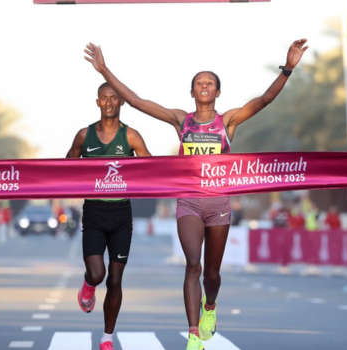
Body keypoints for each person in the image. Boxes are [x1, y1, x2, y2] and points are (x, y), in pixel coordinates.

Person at [84, 39, 308, 350]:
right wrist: (104, 69)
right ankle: (193, 335)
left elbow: (264, 101)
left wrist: (288, 68)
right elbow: (136, 101)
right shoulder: (181, 120)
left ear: (218, 92)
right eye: (199, 83)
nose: (204, 86)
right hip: (188, 201)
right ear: (192, 92)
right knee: (193, 264)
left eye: (210, 83)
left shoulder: (227, 120)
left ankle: (211, 307)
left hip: (219, 204)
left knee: (212, 274)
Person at [66, 82, 151, 350]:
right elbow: (65, 166)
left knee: (115, 279)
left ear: (121, 102)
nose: (110, 102)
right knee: (97, 272)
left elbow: (150, 167)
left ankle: (107, 338)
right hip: (94, 212)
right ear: (98, 102)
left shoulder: (131, 136)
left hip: (121, 214)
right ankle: (88, 285)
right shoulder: (84, 135)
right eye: (104, 98)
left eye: (114, 98)